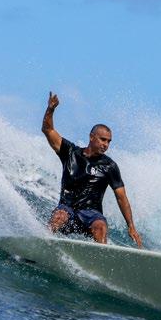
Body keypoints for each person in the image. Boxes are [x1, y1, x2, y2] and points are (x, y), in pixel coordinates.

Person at [41, 91, 143, 247]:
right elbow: (48, 130)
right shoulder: (70, 152)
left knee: (100, 226)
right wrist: (50, 109)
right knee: (59, 216)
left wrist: (131, 225)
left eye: (109, 141)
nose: (106, 144)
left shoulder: (110, 166)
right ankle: (44, 244)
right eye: (103, 139)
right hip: (67, 209)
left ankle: (101, 256)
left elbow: (121, 197)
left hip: (91, 214)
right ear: (91, 137)